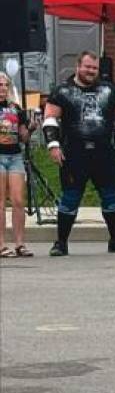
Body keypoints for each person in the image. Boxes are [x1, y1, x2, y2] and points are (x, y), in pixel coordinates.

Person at [43, 51, 115, 257]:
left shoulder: (108, 90)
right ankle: (61, 243)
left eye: (94, 68)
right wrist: (53, 144)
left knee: (111, 197)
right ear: (78, 66)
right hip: (74, 154)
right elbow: (50, 118)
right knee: (70, 198)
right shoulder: (62, 91)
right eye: (87, 67)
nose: (91, 71)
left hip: (104, 153)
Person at [0, 73, 32, 258]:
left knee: (18, 201)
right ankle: (2, 244)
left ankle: (20, 243)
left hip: (14, 155)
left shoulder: (15, 108)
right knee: (1, 202)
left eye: (5, 85)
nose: (2, 88)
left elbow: (23, 137)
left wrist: (31, 127)